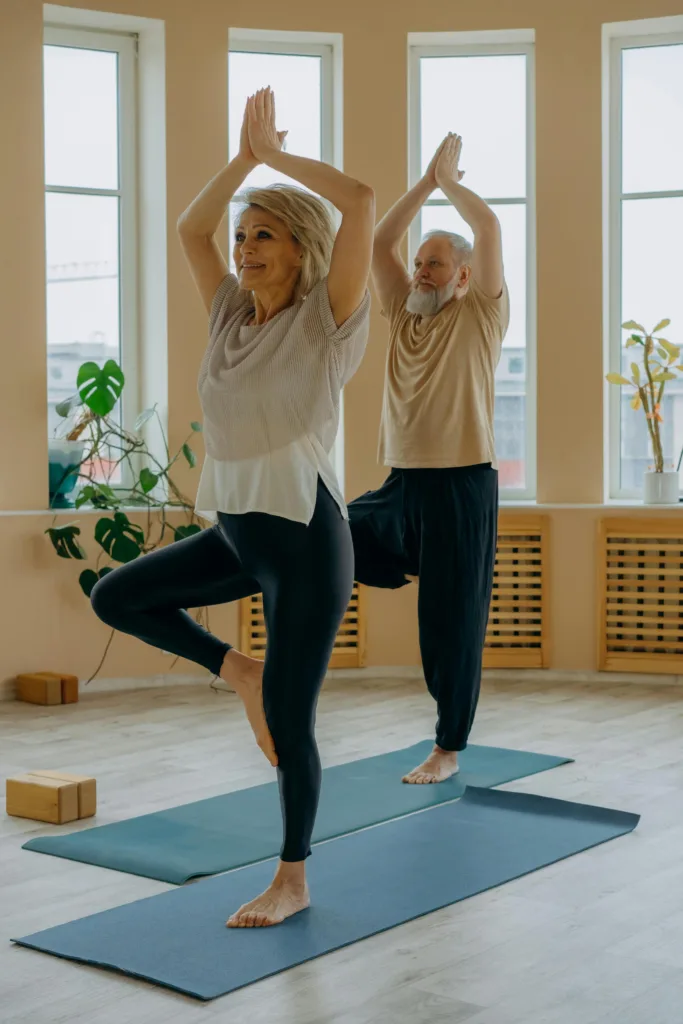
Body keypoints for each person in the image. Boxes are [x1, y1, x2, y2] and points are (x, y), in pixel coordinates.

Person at [90, 88, 374, 927]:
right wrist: (241, 165)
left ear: (301, 249)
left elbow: (358, 201)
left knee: (291, 721)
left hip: (308, 545)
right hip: (239, 533)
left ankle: (293, 877)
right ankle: (235, 670)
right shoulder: (225, 314)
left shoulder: (329, 319)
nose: (244, 249)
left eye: (264, 235)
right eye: (243, 236)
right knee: (116, 595)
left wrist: (274, 158)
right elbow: (189, 229)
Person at [348, 133, 508, 785]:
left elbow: (488, 224)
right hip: (403, 483)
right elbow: (380, 242)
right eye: (420, 263)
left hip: (461, 487)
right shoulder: (401, 311)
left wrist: (451, 185)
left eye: (435, 264)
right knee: (324, 531)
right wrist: (423, 183)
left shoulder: (481, 315)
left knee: (449, 621)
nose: (420, 271)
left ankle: (447, 747)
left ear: (464, 276)